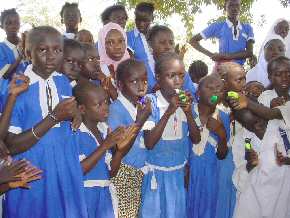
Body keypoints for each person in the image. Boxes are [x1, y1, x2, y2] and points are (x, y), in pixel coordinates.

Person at [3, 26, 87, 218]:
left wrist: (76, 115)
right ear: (27, 52)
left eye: (57, 50)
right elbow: (11, 146)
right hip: (34, 172)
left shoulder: (63, 81)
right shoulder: (19, 87)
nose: (51, 57)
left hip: (64, 167)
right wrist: (54, 117)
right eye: (43, 50)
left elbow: (68, 116)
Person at [139, 53, 200, 218]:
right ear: (158, 78)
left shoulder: (187, 101)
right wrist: (169, 111)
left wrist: (187, 113)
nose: (178, 81)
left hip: (177, 176)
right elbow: (150, 142)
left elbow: (196, 139)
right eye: (171, 76)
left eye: (181, 75)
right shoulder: (148, 101)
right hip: (155, 176)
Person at [73, 82, 138, 218]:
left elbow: (111, 173)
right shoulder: (75, 133)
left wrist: (119, 151)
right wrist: (105, 146)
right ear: (82, 109)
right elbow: (78, 171)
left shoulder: (103, 130)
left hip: (104, 196)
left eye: (107, 102)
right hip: (84, 196)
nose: (106, 108)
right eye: (99, 105)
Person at [108, 59, 152, 218]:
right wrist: (140, 121)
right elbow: (119, 149)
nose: (141, 86)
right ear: (119, 85)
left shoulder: (141, 105)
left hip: (140, 174)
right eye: (134, 81)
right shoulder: (115, 111)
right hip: (123, 174)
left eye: (144, 80)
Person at [187, 75, 229, 218]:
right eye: (210, 88)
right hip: (187, 173)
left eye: (219, 89)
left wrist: (221, 134)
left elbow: (222, 155)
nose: (215, 92)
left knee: (206, 210)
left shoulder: (223, 116)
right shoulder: (188, 111)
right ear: (198, 93)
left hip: (209, 175)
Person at [190, 0, 254, 66]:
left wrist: (225, 56)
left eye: (237, 5)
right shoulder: (217, 26)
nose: (234, 8)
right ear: (225, 8)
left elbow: (249, 52)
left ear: (240, 7)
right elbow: (193, 41)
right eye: (231, 5)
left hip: (239, 71)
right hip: (222, 69)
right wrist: (211, 55)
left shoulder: (247, 28)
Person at [146, 25, 195, 94]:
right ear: (150, 45)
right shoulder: (142, 69)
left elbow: (193, 98)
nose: (168, 47)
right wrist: (153, 92)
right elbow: (137, 100)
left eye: (171, 43)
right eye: (162, 42)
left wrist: (183, 96)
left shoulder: (182, 72)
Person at [127, 2, 154, 68]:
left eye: (145, 20)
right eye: (138, 20)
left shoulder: (158, 35)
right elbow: (130, 65)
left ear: (152, 18)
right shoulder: (128, 37)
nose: (141, 24)